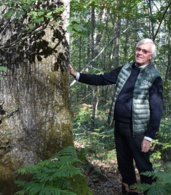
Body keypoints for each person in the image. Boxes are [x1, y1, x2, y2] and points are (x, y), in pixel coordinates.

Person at [69, 38, 163, 195]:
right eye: (138, 49)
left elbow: (157, 110)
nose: (139, 52)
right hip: (120, 126)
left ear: (150, 56)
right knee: (124, 165)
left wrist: (149, 137)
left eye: (144, 51)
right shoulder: (126, 68)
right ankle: (129, 193)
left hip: (138, 131)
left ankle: (152, 192)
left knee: (144, 166)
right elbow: (103, 79)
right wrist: (77, 75)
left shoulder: (154, 77)